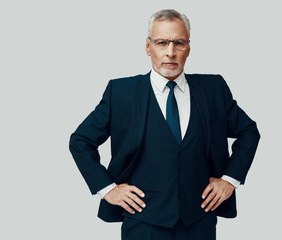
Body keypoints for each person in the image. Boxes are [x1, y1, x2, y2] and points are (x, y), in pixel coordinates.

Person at [69, 9, 260, 240]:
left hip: (199, 221)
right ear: (148, 47)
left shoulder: (213, 89)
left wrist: (230, 180)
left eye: (178, 43)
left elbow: (249, 132)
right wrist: (108, 189)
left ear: (188, 47)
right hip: (142, 223)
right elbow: (80, 141)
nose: (170, 52)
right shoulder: (121, 93)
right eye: (162, 42)